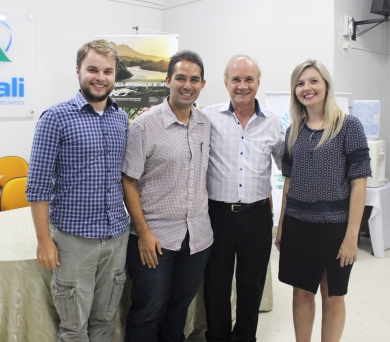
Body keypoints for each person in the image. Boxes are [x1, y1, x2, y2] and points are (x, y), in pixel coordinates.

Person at [26, 39, 129, 342]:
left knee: (106, 319)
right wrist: (44, 240)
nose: (100, 77)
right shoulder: (55, 118)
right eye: (92, 69)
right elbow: (38, 185)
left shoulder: (121, 119)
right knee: (73, 328)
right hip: (73, 241)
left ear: (114, 75)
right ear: (78, 71)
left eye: (108, 71)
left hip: (115, 238)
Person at [275, 59, 372, 342]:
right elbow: (288, 182)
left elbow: (359, 182)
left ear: (326, 85)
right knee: (301, 293)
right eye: (300, 83)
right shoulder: (294, 131)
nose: (307, 88)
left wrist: (352, 236)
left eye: (313, 81)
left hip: (335, 228)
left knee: (333, 297)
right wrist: (281, 225)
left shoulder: (348, 126)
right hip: (298, 225)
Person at [122, 50, 213, 342]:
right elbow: (128, 181)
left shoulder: (205, 124)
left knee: (178, 310)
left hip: (196, 238)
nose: (187, 85)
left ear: (202, 84)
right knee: (148, 312)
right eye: (181, 78)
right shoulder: (144, 126)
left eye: (194, 79)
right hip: (155, 239)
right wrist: (144, 232)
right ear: (168, 81)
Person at [202, 55, 285, 342]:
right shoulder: (207, 117)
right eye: (235, 79)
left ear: (258, 83)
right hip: (217, 216)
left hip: (257, 216)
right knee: (216, 286)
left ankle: (245, 338)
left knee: (252, 286)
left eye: (248, 79)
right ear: (225, 83)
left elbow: (289, 168)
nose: (242, 85)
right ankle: (218, 337)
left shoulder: (274, 124)